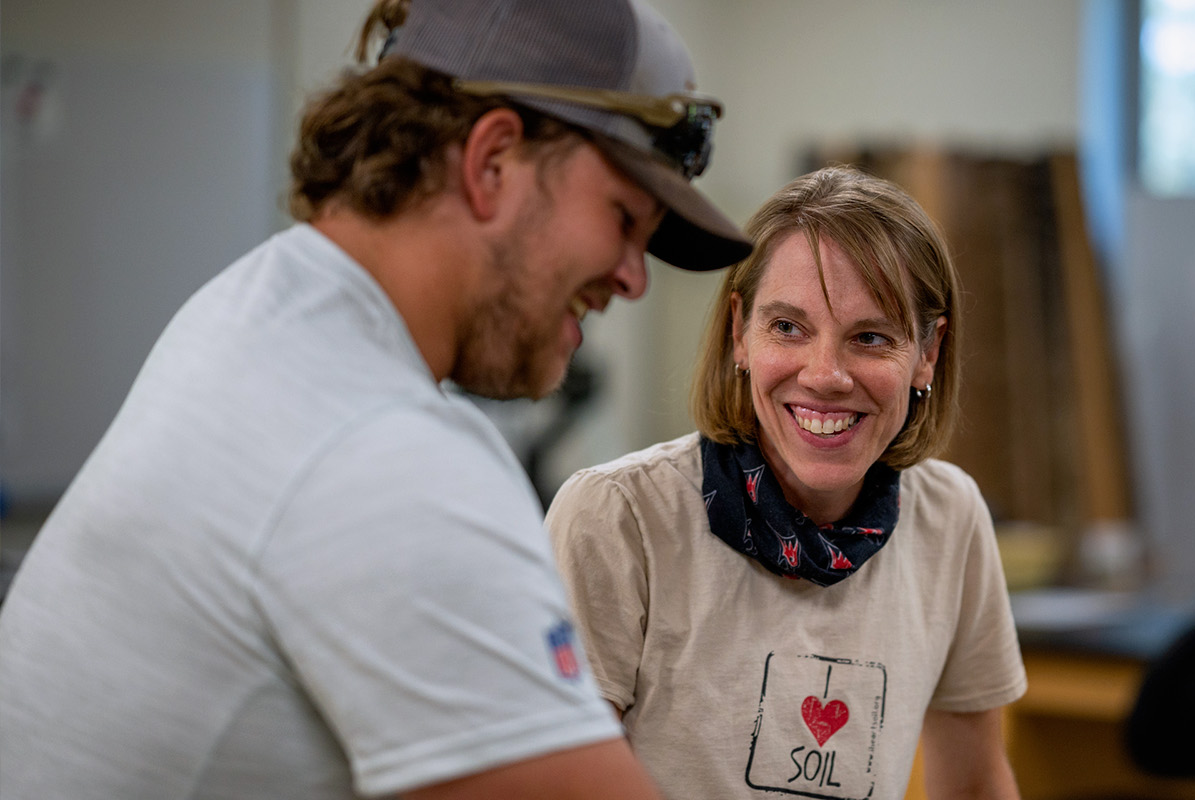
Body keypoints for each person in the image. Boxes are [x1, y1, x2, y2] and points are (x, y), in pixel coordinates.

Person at [0, 0, 749, 797]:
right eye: (623, 219)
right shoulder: (385, 453)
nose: (634, 277)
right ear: (493, 160)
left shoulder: (256, 306)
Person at [547, 166, 1028, 800]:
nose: (826, 374)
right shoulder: (617, 519)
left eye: (871, 337)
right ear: (739, 332)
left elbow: (975, 784)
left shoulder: (950, 518)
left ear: (928, 353)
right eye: (788, 328)